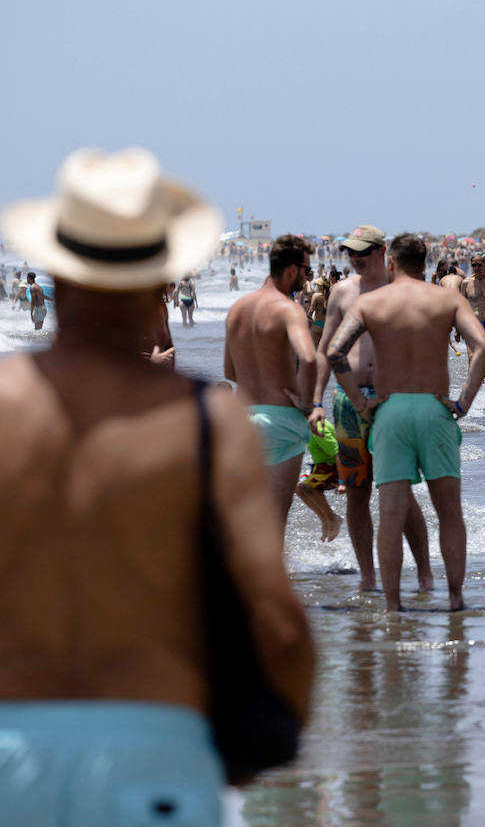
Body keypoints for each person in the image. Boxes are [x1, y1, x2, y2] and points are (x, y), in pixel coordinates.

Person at [0, 146, 313, 811]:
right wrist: (250, 747)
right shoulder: (204, 421)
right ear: (162, 278)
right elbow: (279, 625)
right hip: (155, 747)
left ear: (56, 267)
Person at [326, 233, 485, 612]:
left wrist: (358, 401)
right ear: (425, 264)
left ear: (391, 263)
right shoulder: (447, 298)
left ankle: (392, 605)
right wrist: (463, 403)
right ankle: (454, 598)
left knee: (390, 512)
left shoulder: (372, 302)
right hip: (435, 410)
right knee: (450, 511)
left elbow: (336, 351)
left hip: (390, 412)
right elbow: (482, 347)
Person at [311, 225, 434, 595]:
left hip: (393, 398)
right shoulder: (341, 291)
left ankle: (425, 571)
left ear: (382, 252)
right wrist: (316, 402)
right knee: (356, 489)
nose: (355, 257)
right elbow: (324, 349)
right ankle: (368, 575)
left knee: (398, 488)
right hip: (348, 402)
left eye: (362, 251)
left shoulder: (402, 290)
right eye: (351, 251)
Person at [224, 235, 321, 528]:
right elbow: (309, 359)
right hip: (280, 421)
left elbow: (229, 372)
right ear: (291, 270)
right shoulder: (288, 309)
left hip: (241, 418)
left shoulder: (237, 309)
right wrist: (308, 404)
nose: (307, 277)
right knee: (275, 523)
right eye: (306, 270)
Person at [296, 419, 344, 542]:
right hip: (321, 468)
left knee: (308, 487)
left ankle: (332, 519)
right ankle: (325, 519)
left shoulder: (319, 427)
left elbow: (338, 454)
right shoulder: (308, 425)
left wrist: (343, 481)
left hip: (334, 467)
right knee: (298, 488)